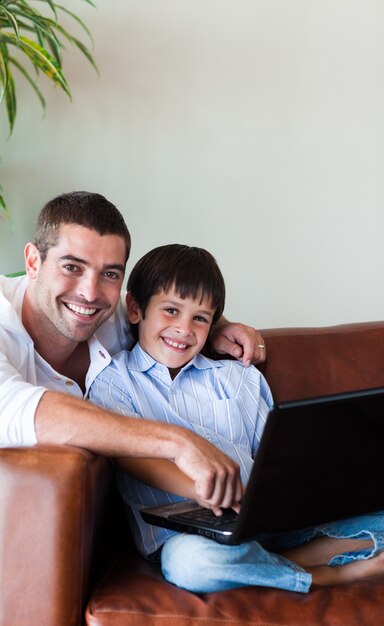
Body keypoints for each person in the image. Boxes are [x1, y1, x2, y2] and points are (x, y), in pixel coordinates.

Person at [89, 243, 384, 594]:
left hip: (267, 520)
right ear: (136, 308)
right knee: (192, 565)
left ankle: (276, 558)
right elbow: (127, 456)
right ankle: (318, 571)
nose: (184, 329)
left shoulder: (238, 377)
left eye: (200, 318)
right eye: (171, 311)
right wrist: (206, 492)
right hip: (187, 537)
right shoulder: (114, 382)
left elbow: (276, 454)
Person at [0, 190, 269, 508]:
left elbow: (170, 307)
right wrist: (180, 443)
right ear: (33, 261)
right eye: (72, 267)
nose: (90, 293)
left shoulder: (111, 314)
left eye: (110, 274)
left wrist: (220, 326)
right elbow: (24, 411)